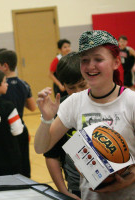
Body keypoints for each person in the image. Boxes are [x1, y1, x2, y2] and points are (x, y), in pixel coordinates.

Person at [34, 30, 135, 200]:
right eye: (84, 60)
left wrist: (127, 180)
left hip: (134, 195)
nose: (90, 66)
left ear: (116, 62)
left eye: (98, 59)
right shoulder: (73, 103)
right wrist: (47, 119)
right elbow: (41, 147)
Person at [44, 52, 88, 200]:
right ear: (63, 86)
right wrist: (63, 191)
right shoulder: (61, 109)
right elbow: (51, 155)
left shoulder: (106, 102)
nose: (78, 93)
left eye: (83, 85)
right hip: (77, 189)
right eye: (71, 88)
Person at [0, 50, 37, 178]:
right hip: (21, 128)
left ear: (5, 66)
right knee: (23, 165)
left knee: (9, 169)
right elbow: (32, 107)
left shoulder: (0, 87)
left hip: (6, 131)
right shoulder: (24, 85)